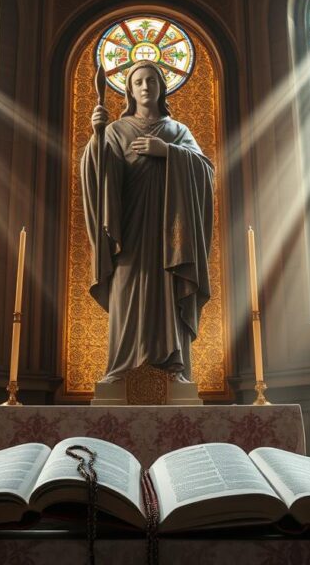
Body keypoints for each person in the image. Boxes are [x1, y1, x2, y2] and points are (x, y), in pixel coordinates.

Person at [80, 60, 215, 383]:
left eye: (151, 81)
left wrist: (168, 152)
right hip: (129, 231)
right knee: (127, 292)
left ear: (161, 87)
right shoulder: (116, 130)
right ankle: (123, 368)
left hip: (171, 233)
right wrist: (97, 137)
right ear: (129, 89)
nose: (144, 86)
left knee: (167, 294)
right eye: (138, 81)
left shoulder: (177, 131)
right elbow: (98, 177)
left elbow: (205, 171)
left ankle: (171, 368)